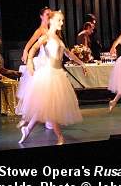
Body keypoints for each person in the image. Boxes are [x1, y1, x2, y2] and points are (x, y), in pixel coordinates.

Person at [17, 11, 86, 145]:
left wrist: (82, 63)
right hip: (48, 76)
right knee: (51, 108)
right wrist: (30, 61)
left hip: (57, 74)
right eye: (59, 20)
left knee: (44, 107)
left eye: (62, 20)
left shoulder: (58, 39)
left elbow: (68, 54)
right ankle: (60, 137)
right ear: (52, 21)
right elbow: (33, 48)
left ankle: (27, 129)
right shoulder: (46, 36)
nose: (62, 23)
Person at [17, 7, 51, 128]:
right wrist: (25, 52)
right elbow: (30, 43)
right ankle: (29, 117)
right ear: (41, 16)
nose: (49, 16)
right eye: (47, 14)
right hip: (42, 63)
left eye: (50, 14)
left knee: (49, 91)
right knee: (37, 91)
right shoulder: (40, 30)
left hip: (50, 63)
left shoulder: (51, 30)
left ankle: (48, 117)